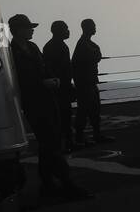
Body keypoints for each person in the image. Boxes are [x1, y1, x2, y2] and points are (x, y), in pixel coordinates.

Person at [9, 14, 83, 198]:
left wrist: (54, 80)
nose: (32, 30)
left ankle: (48, 183)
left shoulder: (32, 47)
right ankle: (64, 182)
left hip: (48, 99)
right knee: (49, 142)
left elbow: (44, 68)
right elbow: (17, 79)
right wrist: (43, 83)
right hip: (34, 102)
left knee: (50, 141)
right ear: (18, 30)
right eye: (28, 27)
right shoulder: (12, 52)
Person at [71, 18, 113, 145]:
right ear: (87, 28)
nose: (95, 28)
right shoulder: (83, 44)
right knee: (84, 110)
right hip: (85, 83)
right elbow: (94, 57)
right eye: (93, 26)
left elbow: (96, 56)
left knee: (94, 110)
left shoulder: (87, 43)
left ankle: (95, 134)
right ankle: (80, 137)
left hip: (90, 82)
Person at [43, 20, 75, 149]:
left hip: (60, 86)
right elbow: (58, 69)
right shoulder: (58, 46)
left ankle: (67, 142)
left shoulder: (53, 46)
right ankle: (65, 143)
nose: (68, 31)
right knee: (63, 116)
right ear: (58, 31)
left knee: (64, 116)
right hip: (59, 87)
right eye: (66, 28)